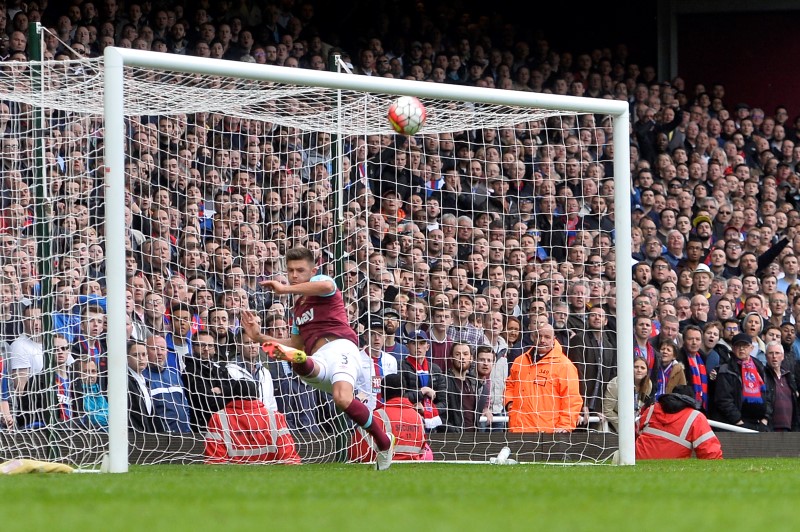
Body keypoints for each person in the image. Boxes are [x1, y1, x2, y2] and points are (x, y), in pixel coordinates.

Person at [240, 246, 396, 470]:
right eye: (291, 270)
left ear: (313, 271)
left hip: (342, 349)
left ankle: (383, 441)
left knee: (341, 399)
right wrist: (258, 336)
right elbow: (294, 344)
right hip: (319, 361)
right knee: (298, 357)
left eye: (300, 270)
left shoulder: (322, 283)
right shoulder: (298, 309)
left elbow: (327, 285)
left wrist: (284, 289)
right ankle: (300, 361)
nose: (294, 275)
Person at [505, 324, 582, 433]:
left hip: (547, 432)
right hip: (517, 429)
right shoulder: (520, 361)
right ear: (533, 337)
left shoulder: (564, 365)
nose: (542, 340)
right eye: (539, 336)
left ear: (554, 339)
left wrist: (565, 426)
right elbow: (510, 385)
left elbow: (572, 399)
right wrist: (510, 404)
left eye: (547, 337)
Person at [349, 372, 429, 463]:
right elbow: (423, 450)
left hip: (380, 472)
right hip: (413, 471)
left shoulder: (375, 417)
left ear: (382, 393)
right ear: (404, 391)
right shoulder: (418, 418)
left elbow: (357, 453)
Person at [635, 385, 723, 459]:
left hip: (638, 466)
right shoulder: (696, 417)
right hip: (671, 473)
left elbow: (633, 434)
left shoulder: (652, 409)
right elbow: (711, 453)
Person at [713, 333, 772, 431]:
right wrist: (738, 421)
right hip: (737, 424)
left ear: (751, 348)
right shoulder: (726, 369)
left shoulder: (759, 367)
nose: (741, 349)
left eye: (745, 346)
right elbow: (723, 399)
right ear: (732, 348)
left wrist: (765, 419)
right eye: (738, 346)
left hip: (760, 423)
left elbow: (768, 393)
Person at [397, 328, 447, 431]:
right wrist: (422, 391)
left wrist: (426, 410)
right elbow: (400, 396)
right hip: (408, 421)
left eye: (422, 343)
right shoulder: (400, 366)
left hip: (433, 423)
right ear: (407, 346)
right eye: (414, 343)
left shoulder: (435, 369)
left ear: (427, 347)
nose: (418, 347)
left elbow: (444, 403)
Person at [143, 334, 192, 433]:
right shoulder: (142, 378)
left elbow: (185, 406)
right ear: (145, 352)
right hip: (159, 439)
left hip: (184, 435)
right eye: (154, 349)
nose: (159, 353)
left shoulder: (174, 375)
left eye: (162, 349)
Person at [439, 342, 483, 432]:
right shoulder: (444, 381)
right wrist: (453, 430)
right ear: (451, 358)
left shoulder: (474, 382)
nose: (462, 357)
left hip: (474, 438)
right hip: (453, 438)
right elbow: (439, 413)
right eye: (457, 354)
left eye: (465, 354)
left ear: (471, 358)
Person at [126, 340, 168, 433]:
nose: (141, 358)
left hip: (146, 439)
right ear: (126, 358)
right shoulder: (125, 382)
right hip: (134, 439)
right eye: (136, 355)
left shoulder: (144, 381)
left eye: (144, 354)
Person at [603, 355, 652, 433]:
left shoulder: (648, 384)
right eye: (636, 367)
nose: (639, 370)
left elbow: (640, 407)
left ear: (647, 372)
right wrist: (625, 424)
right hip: (612, 426)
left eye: (642, 368)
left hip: (634, 425)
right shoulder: (616, 383)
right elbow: (607, 410)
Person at [763, 341, 799, 432]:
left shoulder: (789, 377)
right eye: (771, 353)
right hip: (771, 426)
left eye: (777, 353)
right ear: (766, 356)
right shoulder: (762, 375)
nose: (774, 356)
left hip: (790, 426)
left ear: (782, 356)